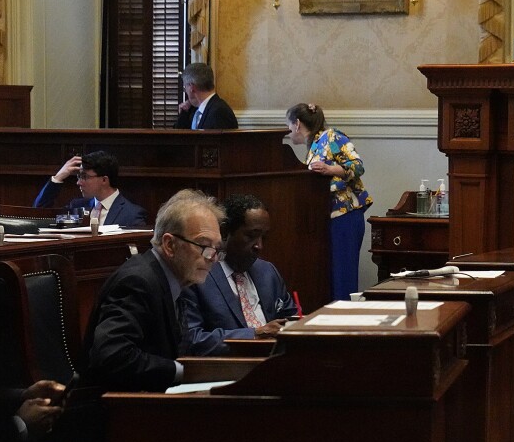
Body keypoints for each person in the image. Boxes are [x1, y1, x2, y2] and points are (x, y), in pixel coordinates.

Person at [84, 189, 226, 392]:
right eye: (203, 245)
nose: (212, 257)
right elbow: (112, 355)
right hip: (116, 412)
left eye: (216, 248)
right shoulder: (137, 282)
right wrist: (181, 372)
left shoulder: (175, 279)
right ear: (169, 244)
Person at [181, 194, 298, 356]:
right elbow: (192, 339)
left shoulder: (267, 272)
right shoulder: (197, 275)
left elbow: (291, 318)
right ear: (225, 232)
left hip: (276, 363)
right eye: (251, 236)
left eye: (263, 237)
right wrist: (255, 335)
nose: (259, 246)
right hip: (230, 368)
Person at [286, 103, 373, 301]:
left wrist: (330, 170)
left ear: (297, 124)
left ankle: (344, 327)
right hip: (332, 218)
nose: (289, 132)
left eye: (289, 127)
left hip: (345, 216)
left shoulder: (331, 137)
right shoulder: (314, 146)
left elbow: (357, 165)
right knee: (333, 279)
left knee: (344, 279)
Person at [32, 150, 148, 227]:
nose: (78, 182)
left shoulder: (132, 214)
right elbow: (39, 214)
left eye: (84, 177)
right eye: (79, 176)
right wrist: (58, 177)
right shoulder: (77, 207)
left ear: (104, 180)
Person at [174, 62, 238, 130]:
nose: (185, 91)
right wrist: (183, 114)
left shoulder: (220, 113)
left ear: (191, 88)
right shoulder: (194, 111)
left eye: (185, 87)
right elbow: (179, 137)